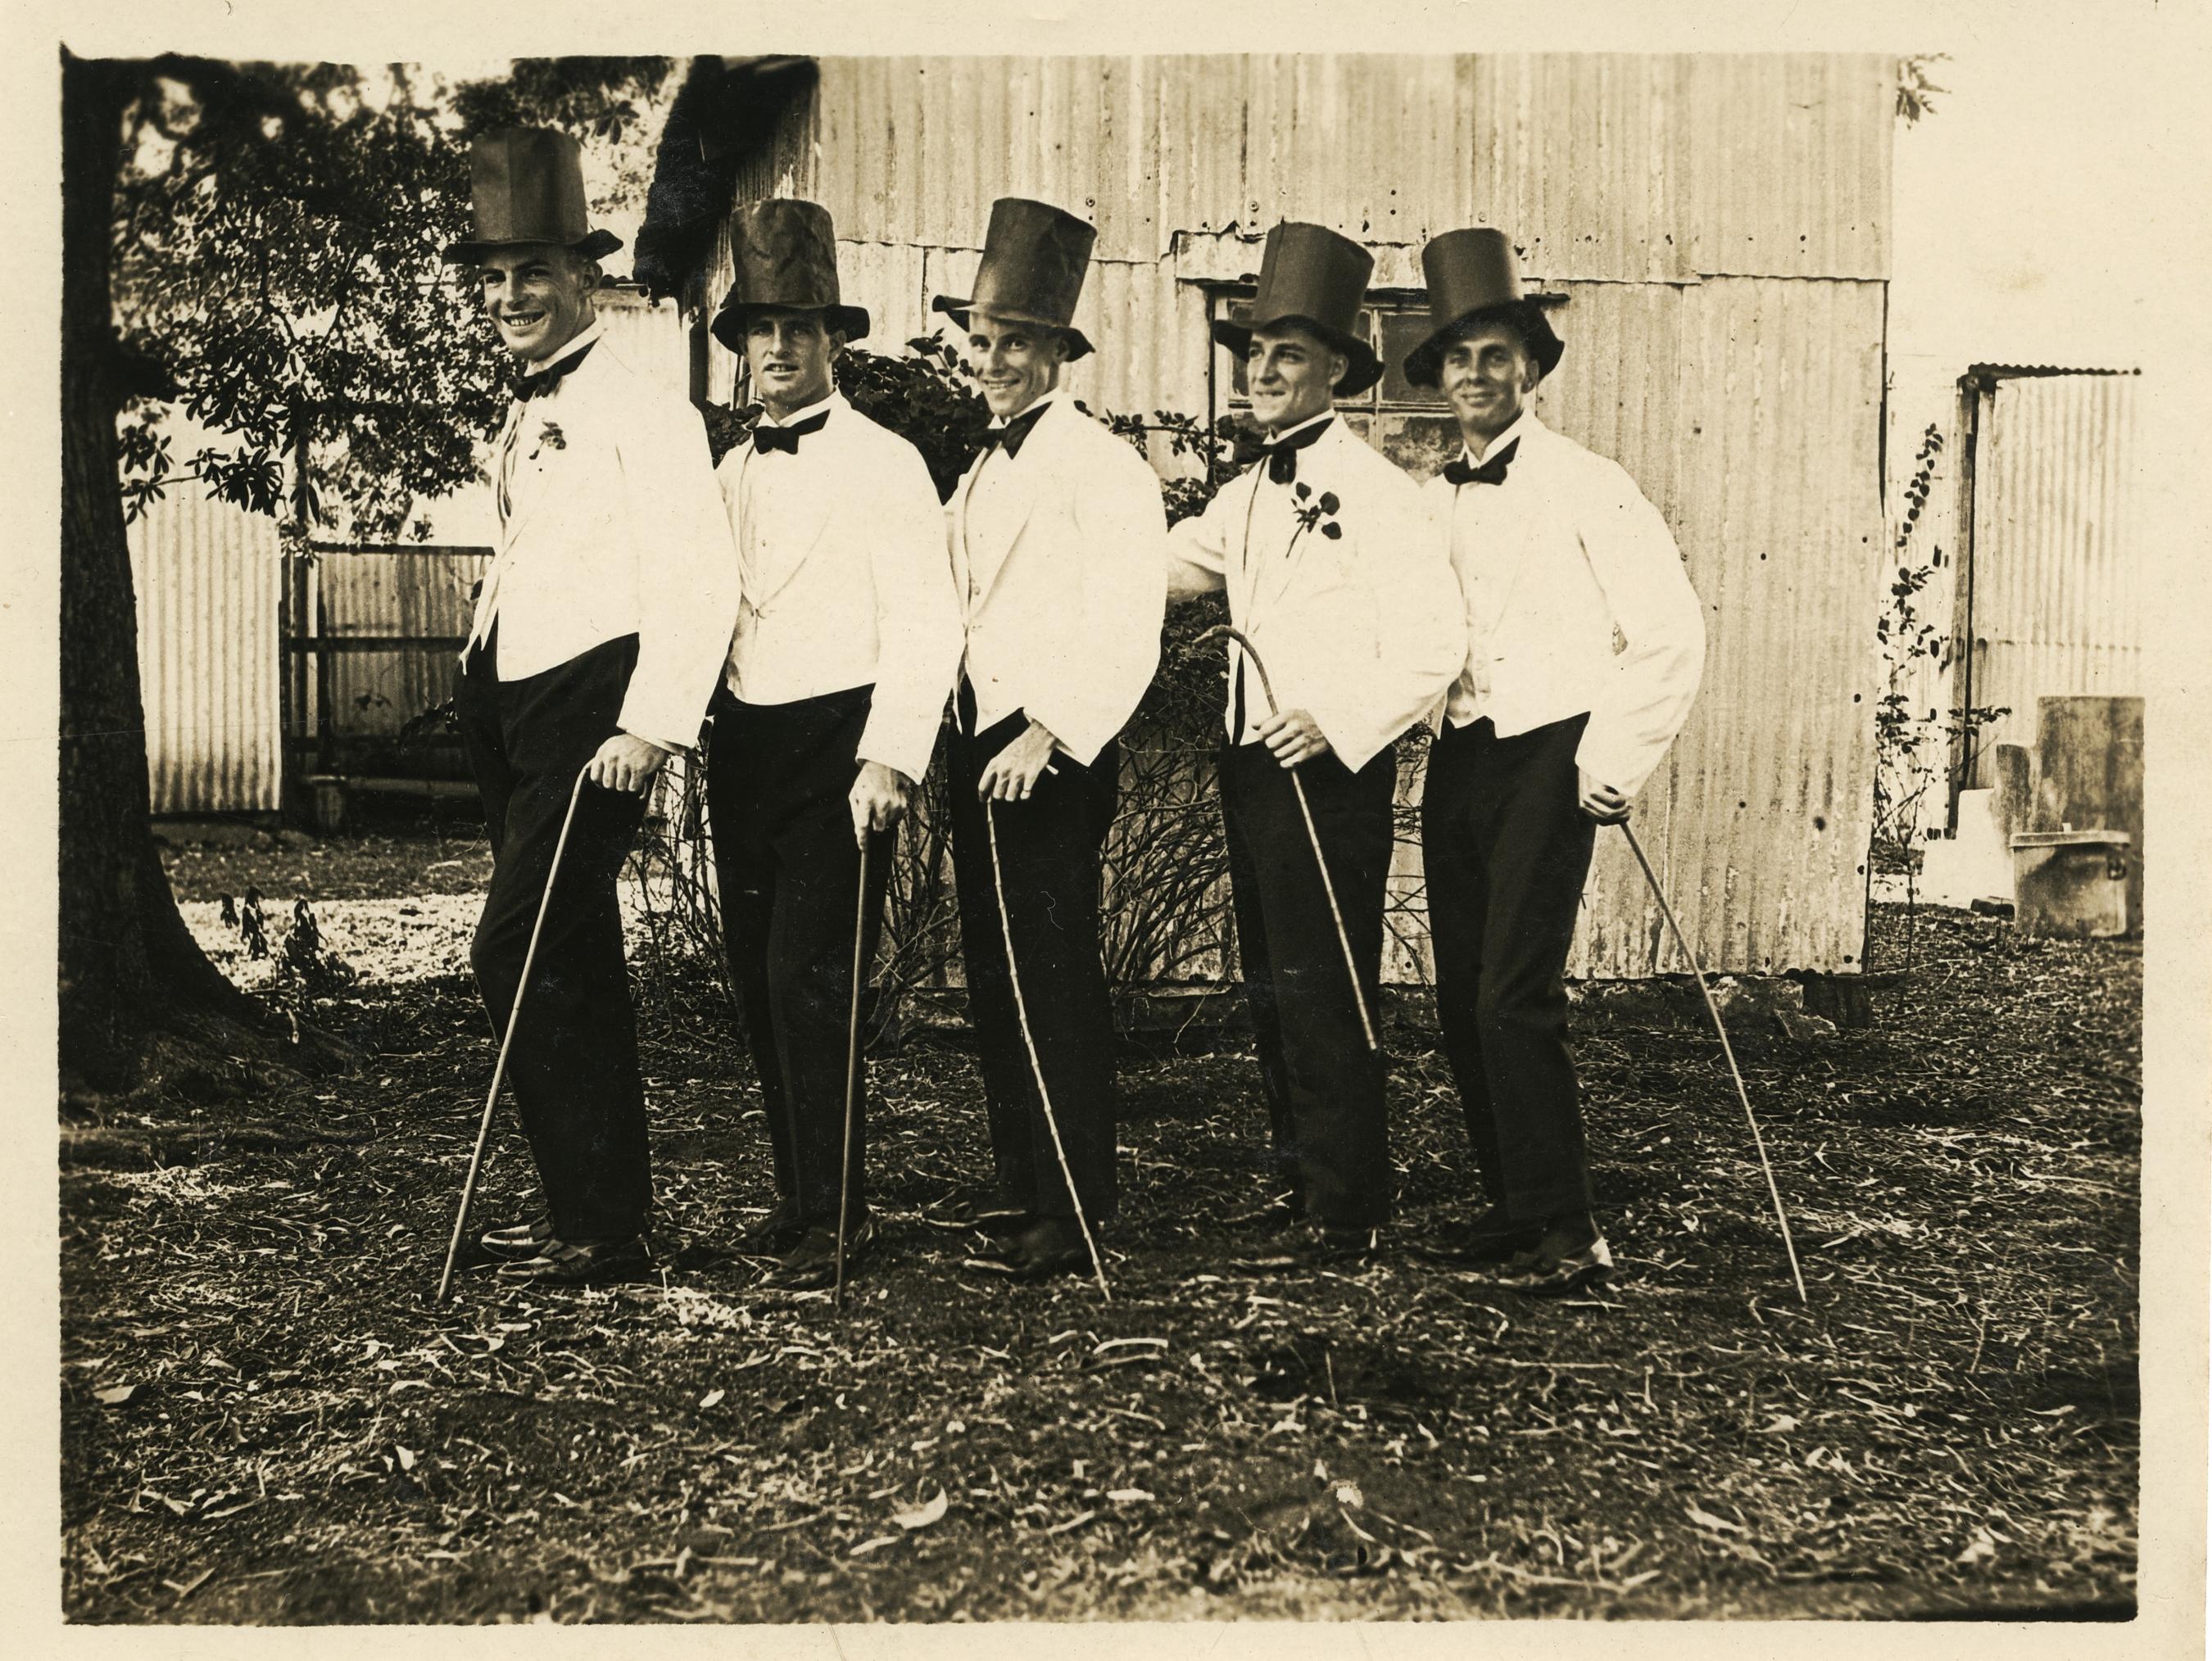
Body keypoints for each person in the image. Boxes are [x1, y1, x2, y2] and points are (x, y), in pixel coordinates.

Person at [443, 128, 738, 1286]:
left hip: (591, 713)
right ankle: (599, 1220)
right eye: (497, 275)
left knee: (514, 947)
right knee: (573, 952)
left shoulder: (644, 408)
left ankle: (599, 1218)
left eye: (535, 272)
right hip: (510, 700)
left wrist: (652, 726)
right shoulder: (523, 407)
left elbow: (699, 578)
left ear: (584, 277)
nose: (513, 294)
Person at [1405, 227, 1707, 1294]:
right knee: (1458, 997)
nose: (1478, 375)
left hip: (1554, 755)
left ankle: (1573, 1231)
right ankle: (1512, 1205)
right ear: (1440, 377)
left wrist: (1614, 756)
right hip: (1463, 757)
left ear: (1529, 370)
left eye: (1496, 355)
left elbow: (1669, 630)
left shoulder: (1591, 484)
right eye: (1459, 357)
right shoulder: (1433, 498)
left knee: (1512, 997)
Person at [1165, 222, 1466, 1261]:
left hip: (1329, 768)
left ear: (1335, 370)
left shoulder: (1387, 496)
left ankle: (1353, 1206)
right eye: (1254, 354)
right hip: (1250, 765)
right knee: (1267, 977)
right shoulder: (1243, 494)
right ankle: (1301, 1180)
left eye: (1286, 354)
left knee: (1327, 977)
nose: (1263, 371)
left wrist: (1335, 719)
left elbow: (1433, 644)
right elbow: (1158, 571)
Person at [703, 200, 963, 1290]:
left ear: (833, 341)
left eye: (799, 329)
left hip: (841, 746)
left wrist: (890, 755)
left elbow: (927, 618)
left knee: (809, 978)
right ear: (742, 344)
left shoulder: (888, 465)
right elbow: (703, 610)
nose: (778, 348)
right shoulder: (727, 473)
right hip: (745, 743)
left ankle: (844, 1212)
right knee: (760, 985)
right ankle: (800, 1195)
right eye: (761, 329)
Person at [928, 197, 1167, 1281]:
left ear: (1057, 353)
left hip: (1050, 759)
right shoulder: (981, 469)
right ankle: (1027, 1183)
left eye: (1013, 343)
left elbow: (1129, 624)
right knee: (999, 973)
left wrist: (1052, 732)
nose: (992, 362)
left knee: (1051, 974)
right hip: (980, 751)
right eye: (981, 342)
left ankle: (1075, 1208)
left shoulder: (1102, 468)